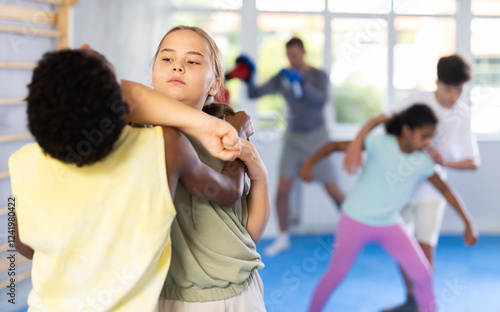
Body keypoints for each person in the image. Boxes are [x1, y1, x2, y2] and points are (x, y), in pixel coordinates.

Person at [10, 47, 249, 312]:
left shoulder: (24, 161)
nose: (86, 47)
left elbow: (23, 244)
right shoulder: (165, 147)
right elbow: (229, 192)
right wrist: (238, 140)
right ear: (125, 109)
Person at [299, 104, 478, 312]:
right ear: (406, 130)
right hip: (355, 219)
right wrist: (308, 164)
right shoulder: (381, 143)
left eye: (432, 137)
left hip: (389, 222)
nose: (428, 141)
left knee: (423, 274)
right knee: (336, 274)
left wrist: (468, 222)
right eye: (424, 135)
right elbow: (334, 145)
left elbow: (445, 190)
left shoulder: (423, 160)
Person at [343, 54, 481, 312]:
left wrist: (443, 162)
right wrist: (355, 144)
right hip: (400, 188)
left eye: (459, 89)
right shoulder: (418, 100)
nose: (454, 96)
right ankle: (411, 300)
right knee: (402, 250)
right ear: (437, 83)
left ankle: (424, 304)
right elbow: (378, 119)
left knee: (425, 247)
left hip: (431, 189)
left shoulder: (462, 115)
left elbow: (473, 162)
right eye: (449, 89)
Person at [148, 26, 270, 311]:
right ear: (152, 74)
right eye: (166, 59)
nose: (177, 65)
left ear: (214, 85)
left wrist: (259, 170)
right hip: (170, 298)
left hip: (241, 293)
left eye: (192, 61)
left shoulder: (228, 138)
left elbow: (248, 233)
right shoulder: (138, 135)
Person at [238, 37, 344, 256]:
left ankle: (353, 232)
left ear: (304, 53)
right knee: (283, 189)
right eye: (289, 55)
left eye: (295, 55)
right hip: (293, 138)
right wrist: (247, 76)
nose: (292, 59)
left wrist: (302, 82)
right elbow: (254, 93)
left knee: (333, 190)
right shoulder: (283, 76)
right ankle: (283, 237)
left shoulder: (318, 75)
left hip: (318, 137)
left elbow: (321, 101)